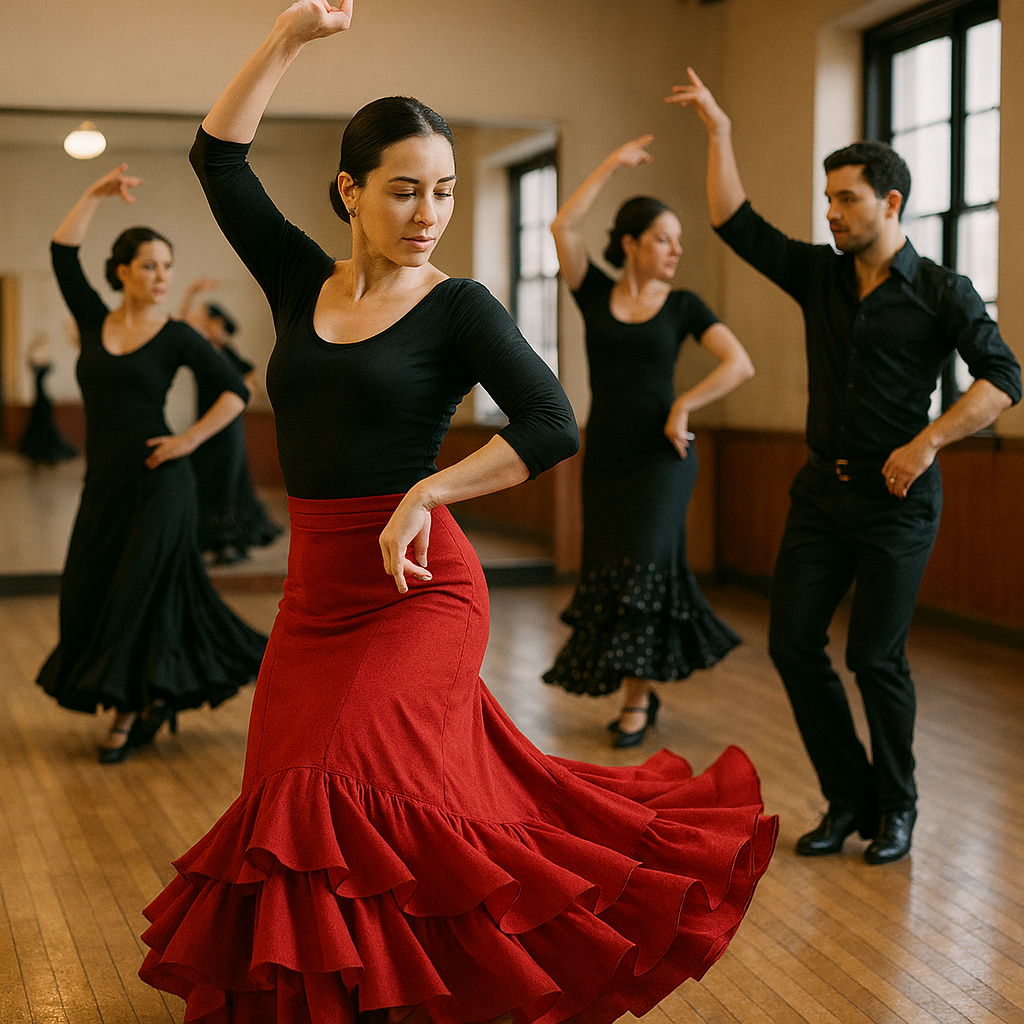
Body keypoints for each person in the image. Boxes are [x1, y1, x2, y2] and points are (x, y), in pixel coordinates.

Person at [137, 5, 776, 1023]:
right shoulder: (298, 279)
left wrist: (429, 491)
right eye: (404, 190)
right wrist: (291, 38)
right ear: (349, 190)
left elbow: (552, 421)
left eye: (442, 191)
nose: (428, 212)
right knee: (290, 804)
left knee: (328, 785)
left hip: (420, 587)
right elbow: (218, 158)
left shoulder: (459, 305)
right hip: (315, 596)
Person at [673, 68, 1022, 864]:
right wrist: (720, 130)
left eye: (846, 199)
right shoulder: (820, 276)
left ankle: (897, 807)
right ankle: (848, 798)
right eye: (827, 198)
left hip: (899, 500)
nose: (831, 212)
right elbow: (734, 222)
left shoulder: (942, 291)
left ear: (890, 203)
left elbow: (1004, 380)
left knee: (874, 656)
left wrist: (927, 441)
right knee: (793, 642)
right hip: (819, 496)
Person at [36, 165, 269, 764]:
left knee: (135, 594)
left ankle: (128, 711)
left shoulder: (178, 336)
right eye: (149, 266)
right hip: (104, 487)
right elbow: (63, 253)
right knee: (85, 592)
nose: (163, 277)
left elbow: (235, 391)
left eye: (168, 266)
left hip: (162, 484)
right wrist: (93, 193)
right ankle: (155, 697)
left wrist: (189, 440)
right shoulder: (94, 321)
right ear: (122, 271)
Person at [542, 136, 755, 748]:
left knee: (642, 565)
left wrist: (684, 404)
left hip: (664, 458)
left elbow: (738, 364)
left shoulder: (684, 305)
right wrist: (611, 164)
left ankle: (635, 702)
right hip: (606, 456)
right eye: (664, 239)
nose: (676, 250)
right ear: (631, 243)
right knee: (614, 568)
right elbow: (562, 226)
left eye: (677, 241)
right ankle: (641, 690)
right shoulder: (593, 292)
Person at [179, 278, 283, 564]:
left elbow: (252, 385)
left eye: (204, 315)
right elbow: (182, 325)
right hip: (205, 430)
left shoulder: (230, 355)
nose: (198, 318)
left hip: (228, 431)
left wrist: (236, 404)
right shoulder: (202, 351)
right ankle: (209, 542)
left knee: (226, 484)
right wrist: (191, 291)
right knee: (205, 483)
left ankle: (226, 543)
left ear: (218, 324)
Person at [17, 333, 80, 466]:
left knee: (44, 426)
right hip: (40, 398)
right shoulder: (37, 356)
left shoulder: (41, 356)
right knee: (41, 426)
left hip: (43, 398)